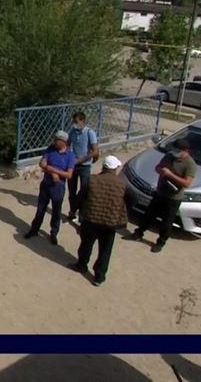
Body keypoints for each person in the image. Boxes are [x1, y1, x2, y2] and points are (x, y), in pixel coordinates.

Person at [124, 138, 196, 253]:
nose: (174, 152)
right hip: (160, 193)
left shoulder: (190, 164)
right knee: (148, 215)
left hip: (173, 198)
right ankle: (138, 233)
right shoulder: (169, 156)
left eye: (177, 150)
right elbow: (158, 167)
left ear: (185, 151)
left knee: (166, 222)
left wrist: (170, 175)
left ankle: (161, 242)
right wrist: (160, 170)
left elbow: (187, 183)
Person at [68, 156, 129, 286]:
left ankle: (82, 265)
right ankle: (99, 276)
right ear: (115, 168)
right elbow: (132, 198)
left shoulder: (92, 179)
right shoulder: (122, 183)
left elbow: (80, 197)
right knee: (105, 250)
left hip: (90, 220)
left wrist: (73, 210)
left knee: (86, 244)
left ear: (104, 167)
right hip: (110, 223)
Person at [24, 130, 76, 246]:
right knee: (40, 209)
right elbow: (42, 164)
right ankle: (34, 229)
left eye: (56, 140)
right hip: (46, 184)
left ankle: (54, 232)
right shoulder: (50, 149)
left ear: (63, 142)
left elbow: (69, 175)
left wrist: (52, 170)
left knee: (56, 211)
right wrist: (52, 172)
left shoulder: (70, 156)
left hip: (58, 187)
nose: (54, 141)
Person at [67, 111, 99, 221]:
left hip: (84, 166)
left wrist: (82, 159)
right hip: (73, 165)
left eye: (76, 122)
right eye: (73, 122)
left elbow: (95, 151)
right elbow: (67, 144)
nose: (75, 124)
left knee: (84, 189)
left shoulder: (90, 133)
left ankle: (79, 211)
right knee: (71, 190)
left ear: (82, 121)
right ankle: (72, 212)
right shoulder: (73, 131)